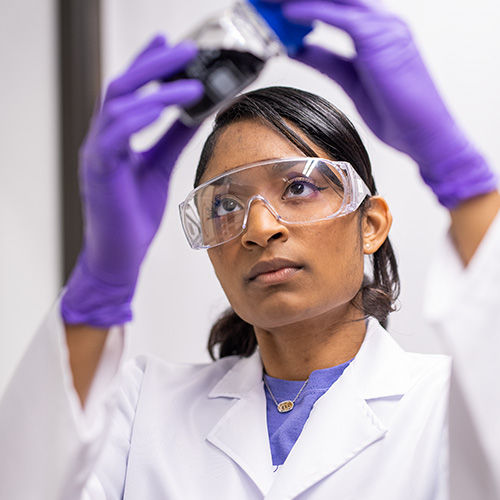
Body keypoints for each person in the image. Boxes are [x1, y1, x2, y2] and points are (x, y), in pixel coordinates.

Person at [1, 0, 499, 499]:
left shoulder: (452, 402)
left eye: (299, 188)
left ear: (370, 226)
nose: (258, 229)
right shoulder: (142, 406)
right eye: (225, 206)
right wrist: (99, 287)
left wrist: (465, 181)